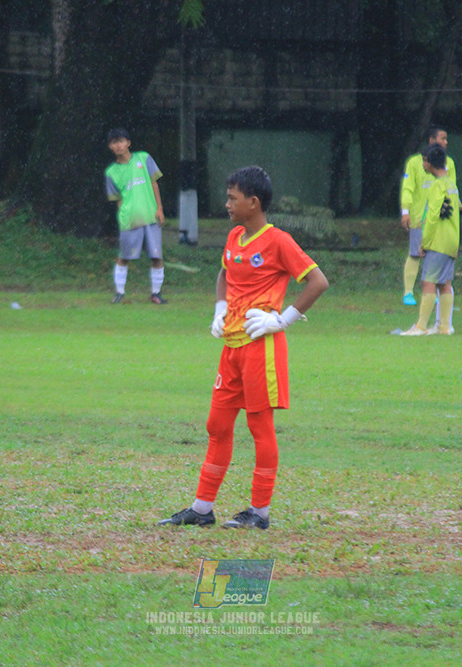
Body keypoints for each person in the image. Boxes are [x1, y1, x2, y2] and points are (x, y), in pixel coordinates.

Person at [158, 166, 329, 530]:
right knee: (217, 425)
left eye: (233, 198)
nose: (227, 204)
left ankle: (259, 513)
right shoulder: (235, 235)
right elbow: (224, 273)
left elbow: (318, 281)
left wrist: (282, 320)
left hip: (261, 348)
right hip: (232, 347)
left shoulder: (279, 241)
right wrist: (221, 308)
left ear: (253, 203)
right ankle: (202, 508)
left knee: (259, 427)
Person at [397, 145, 461, 336]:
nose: (422, 163)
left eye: (424, 160)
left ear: (430, 162)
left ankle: (421, 326)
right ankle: (444, 327)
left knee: (428, 282)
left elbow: (432, 216)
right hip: (452, 240)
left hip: (438, 241)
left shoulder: (436, 186)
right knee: (445, 283)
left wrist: (424, 242)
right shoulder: (451, 184)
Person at [104, 128, 167, 304]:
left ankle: (156, 293)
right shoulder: (111, 172)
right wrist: (124, 214)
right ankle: (119, 292)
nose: (118, 145)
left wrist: (159, 208)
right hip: (130, 219)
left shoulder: (144, 159)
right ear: (110, 146)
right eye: (114, 142)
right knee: (124, 256)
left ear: (128, 143)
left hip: (150, 215)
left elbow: (154, 183)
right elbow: (117, 199)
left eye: (121, 141)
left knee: (156, 256)